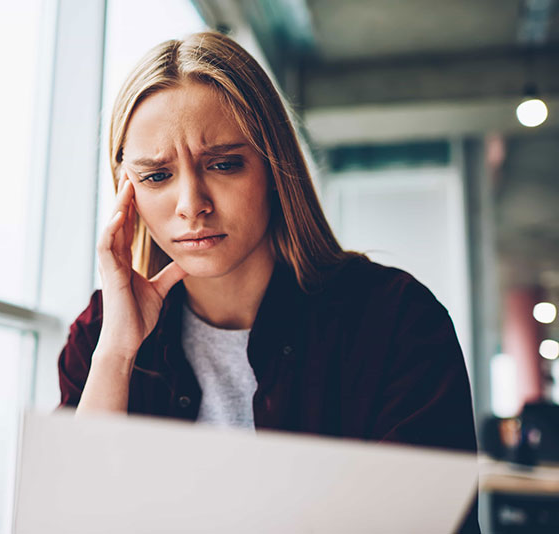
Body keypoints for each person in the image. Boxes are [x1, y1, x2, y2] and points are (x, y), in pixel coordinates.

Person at [56, 31, 479, 531]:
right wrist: (117, 355)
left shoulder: (397, 320)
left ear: (274, 168)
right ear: (127, 192)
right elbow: (68, 518)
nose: (191, 204)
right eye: (156, 176)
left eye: (224, 164)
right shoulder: (101, 334)